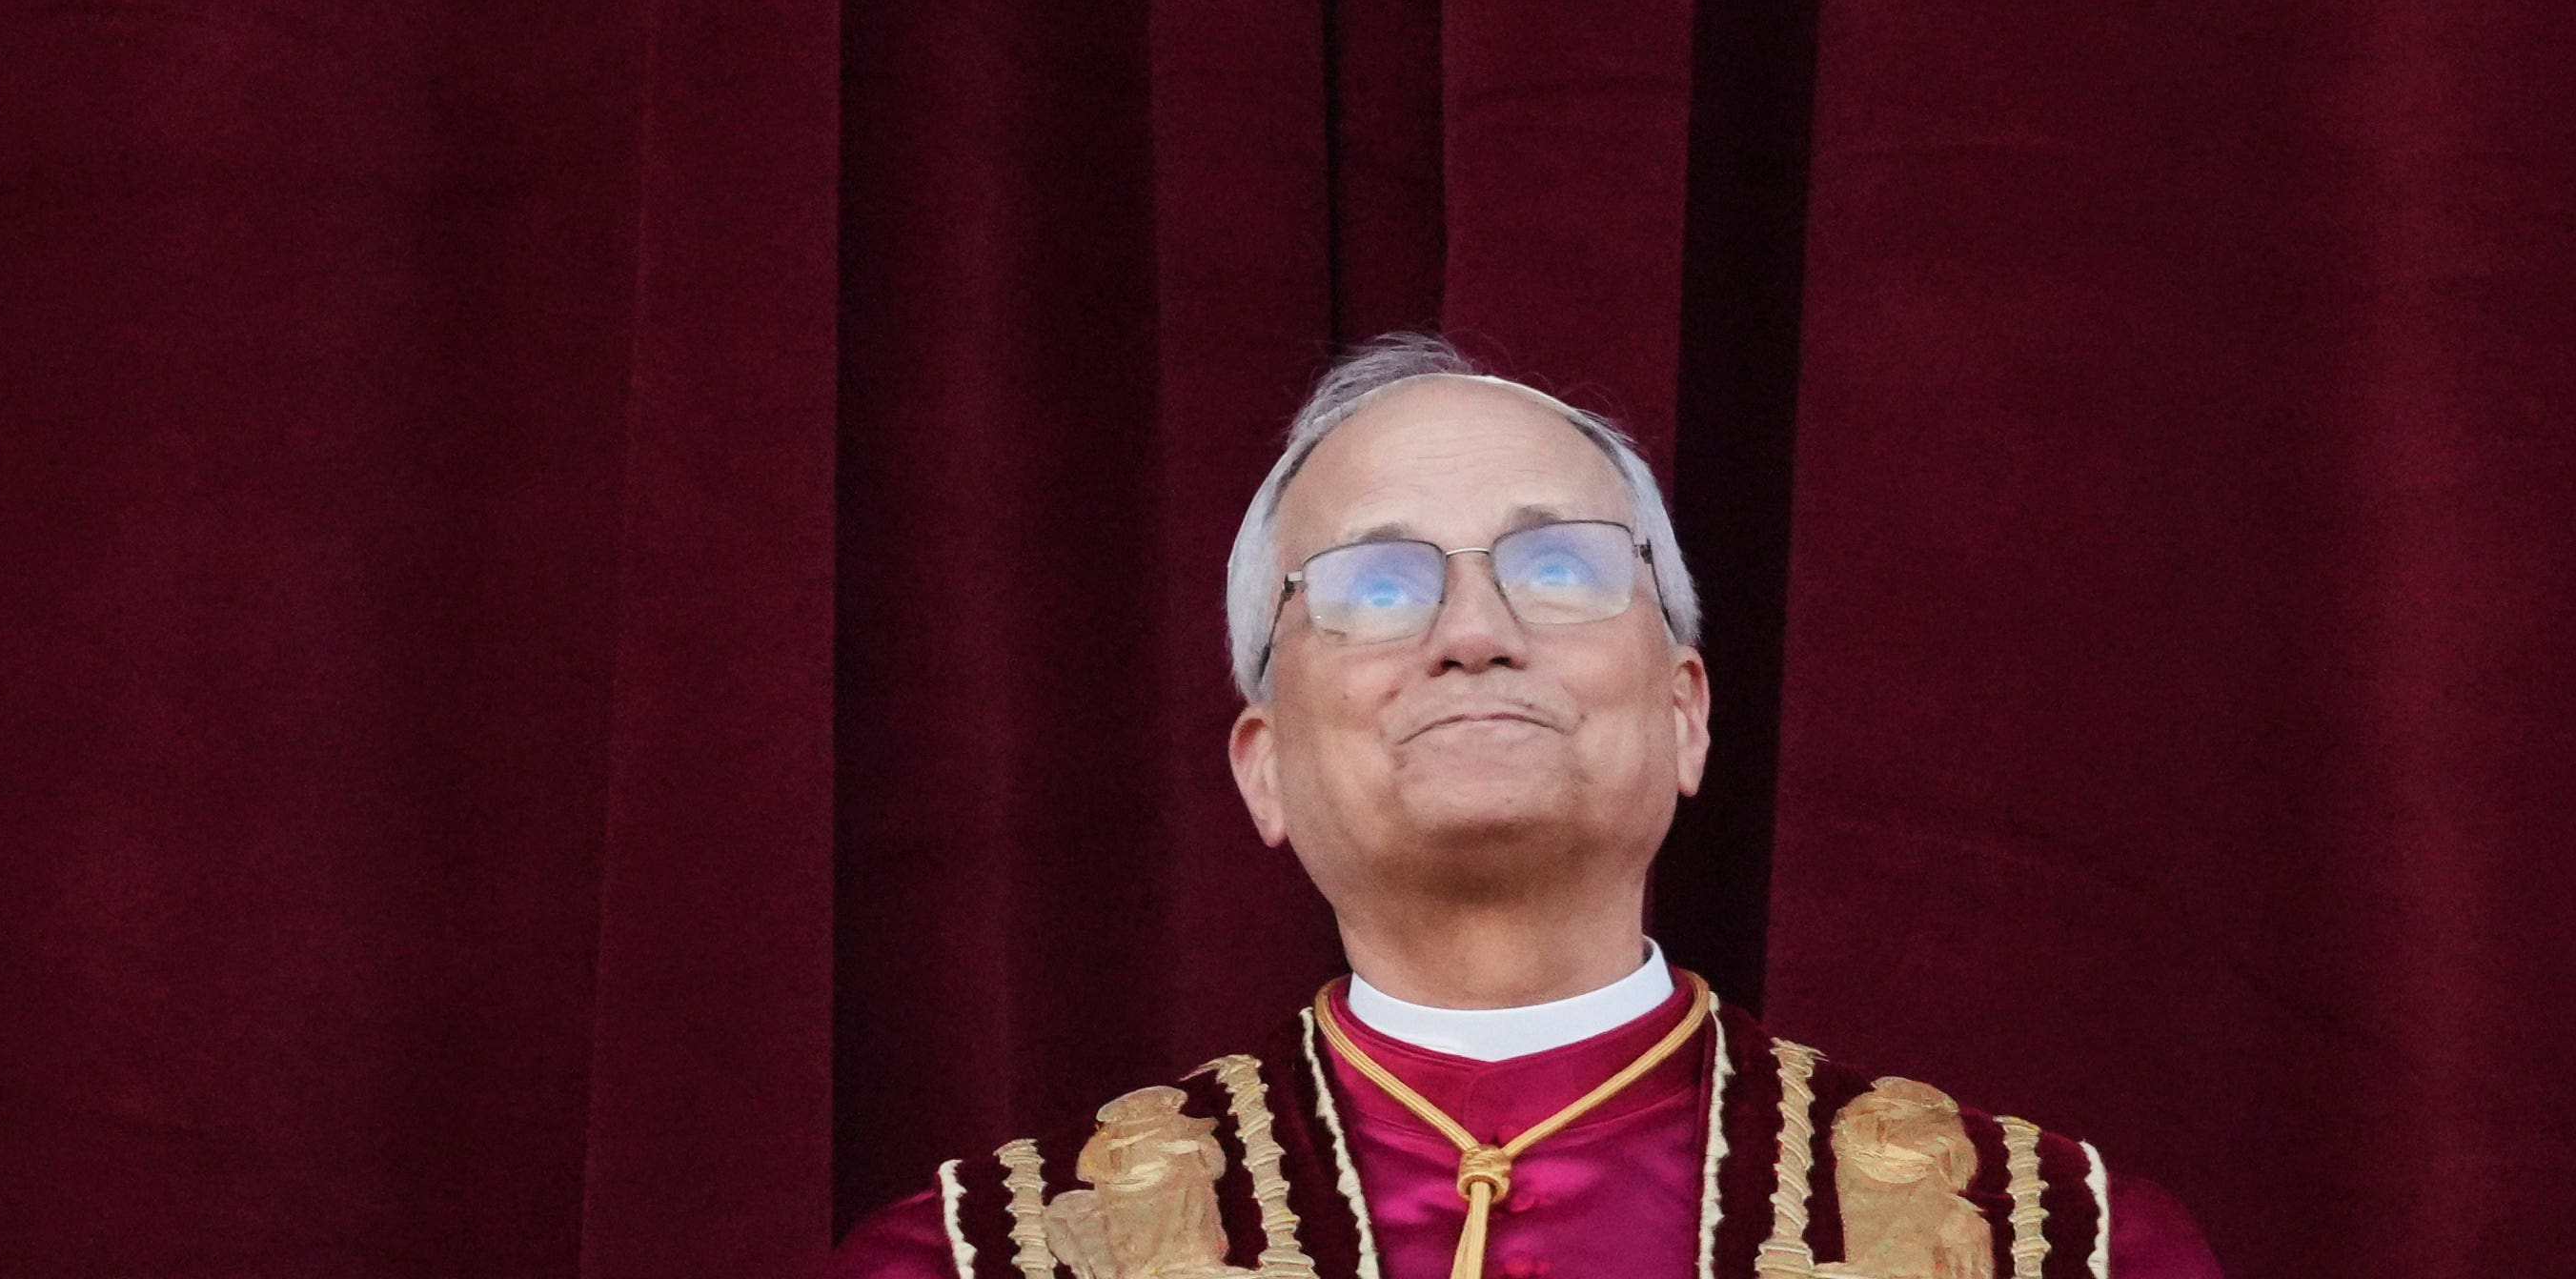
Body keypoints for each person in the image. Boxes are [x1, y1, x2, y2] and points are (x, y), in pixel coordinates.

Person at [831, 335, 2218, 1279]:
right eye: (1377, 589)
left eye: (1557, 568)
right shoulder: (986, 1257)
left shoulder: (2050, 1244)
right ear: (1263, 765)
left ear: (1686, 712)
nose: (1473, 632)